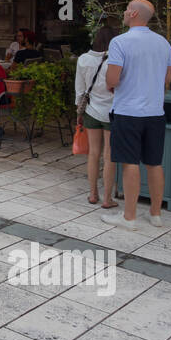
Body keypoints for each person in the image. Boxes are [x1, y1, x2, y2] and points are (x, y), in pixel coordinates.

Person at [104, 0, 171, 230]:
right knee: (155, 163)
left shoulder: (120, 42)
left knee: (129, 162)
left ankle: (129, 217)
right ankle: (156, 214)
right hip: (155, 111)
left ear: (133, 13)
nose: (124, 12)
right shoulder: (163, 43)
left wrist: (113, 84)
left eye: (126, 9)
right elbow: (167, 80)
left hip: (128, 110)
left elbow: (112, 79)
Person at [76, 27, 117, 209]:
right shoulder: (116, 61)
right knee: (109, 156)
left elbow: (80, 89)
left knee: (93, 153)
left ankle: (93, 193)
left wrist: (79, 112)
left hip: (91, 110)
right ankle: (107, 199)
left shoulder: (83, 59)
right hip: (112, 111)